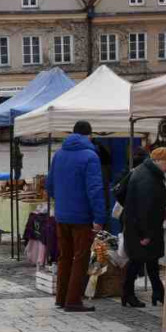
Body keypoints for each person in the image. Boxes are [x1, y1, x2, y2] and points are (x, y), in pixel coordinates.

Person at [46, 121, 106, 312]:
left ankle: (61, 298)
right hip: (81, 217)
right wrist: (99, 217)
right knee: (80, 258)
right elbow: (95, 189)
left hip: (62, 215)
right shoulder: (90, 156)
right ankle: (73, 301)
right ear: (89, 135)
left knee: (64, 257)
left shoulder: (59, 154)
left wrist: (63, 202)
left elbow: (50, 185)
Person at [121, 147, 166, 308]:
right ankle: (128, 294)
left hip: (140, 227)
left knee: (151, 262)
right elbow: (145, 208)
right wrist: (146, 234)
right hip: (142, 229)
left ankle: (158, 293)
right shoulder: (148, 178)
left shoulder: (146, 172)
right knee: (136, 262)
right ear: (158, 161)